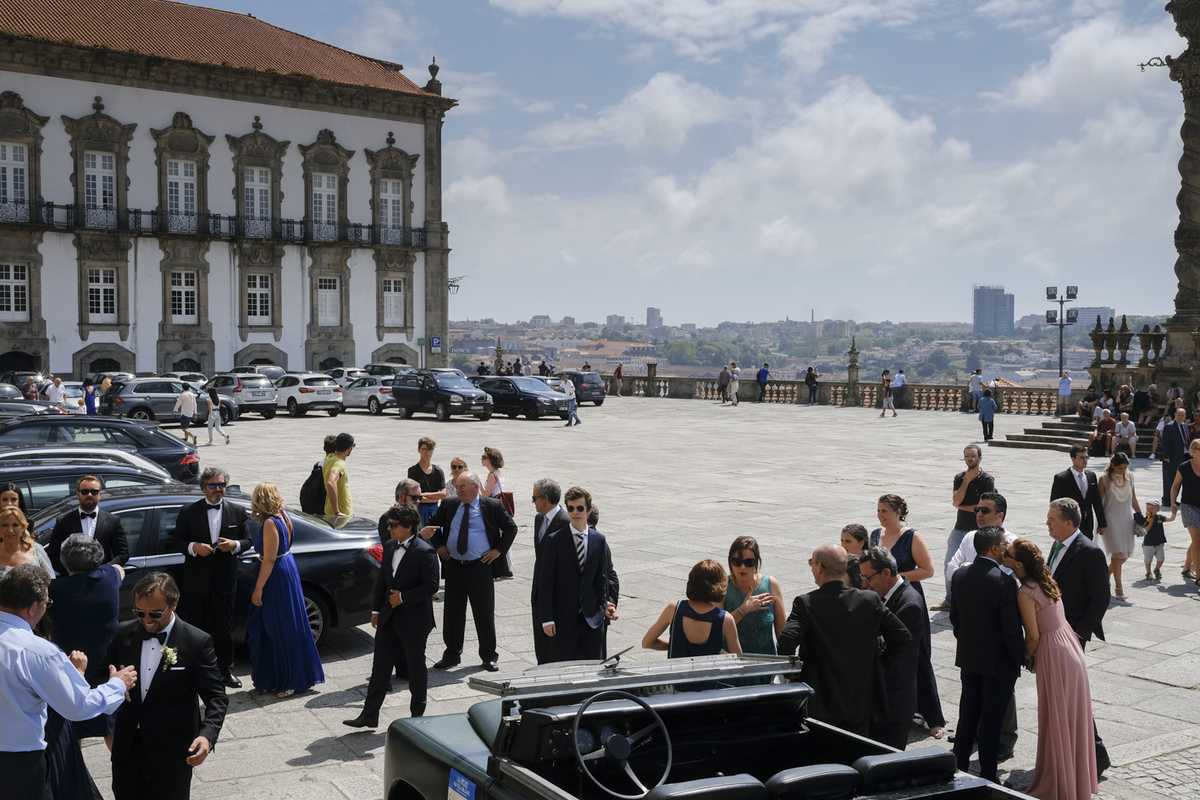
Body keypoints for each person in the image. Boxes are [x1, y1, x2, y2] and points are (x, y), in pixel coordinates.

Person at [0, 563, 135, 800]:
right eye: (47, 603)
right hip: (19, 763)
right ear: (34, 607)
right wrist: (118, 685)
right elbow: (78, 706)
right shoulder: (37, 651)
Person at [106, 572, 228, 800]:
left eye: (155, 613)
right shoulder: (124, 634)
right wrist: (113, 684)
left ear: (174, 604)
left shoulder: (196, 642)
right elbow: (100, 676)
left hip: (172, 754)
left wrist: (207, 735)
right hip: (127, 750)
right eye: (139, 612)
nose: (146, 619)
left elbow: (216, 698)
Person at [778, 544, 912, 735]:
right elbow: (902, 637)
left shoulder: (806, 603)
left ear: (819, 568)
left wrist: (794, 677)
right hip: (861, 701)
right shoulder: (870, 601)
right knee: (857, 756)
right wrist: (881, 666)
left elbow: (786, 642)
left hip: (821, 702)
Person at [1003, 538, 1099, 800]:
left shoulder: (1025, 593)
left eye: (1008, 554)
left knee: (1056, 717)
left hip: (1054, 654)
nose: (1004, 554)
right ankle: (1075, 780)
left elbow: (1032, 636)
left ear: (1019, 564)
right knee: (1072, 719)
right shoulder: (1046, 581)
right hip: (1070, 647)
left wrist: (1025, 656)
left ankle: (1060, 783)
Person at [345, 505, 439, 728]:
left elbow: (432, 586)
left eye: (393, 525)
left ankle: (416, 717)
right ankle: (369, 715)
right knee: (380, 667)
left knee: (416, 670)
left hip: (415, 620)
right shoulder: (389, 546)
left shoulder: (425, 551)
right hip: (389, 618)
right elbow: (383, 582)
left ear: (408, 527)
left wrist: (404, 597)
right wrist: (376, 610)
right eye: (388, 524)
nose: (388, 529)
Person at [948, 526, 1024, 784]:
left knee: (968, 714)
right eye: (1004, 544)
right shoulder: (1004, 581)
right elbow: (1011, 629)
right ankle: (989, 775)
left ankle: (957, 768)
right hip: (997, 664)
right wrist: (1019, 658)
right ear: (994, 548)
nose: (1007, 548)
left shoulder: (960, 576)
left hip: (969, 657)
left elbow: (955, 619)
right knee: (992, 722)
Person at [423, 470, 518, 672]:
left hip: (479, 566)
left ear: (475, 487)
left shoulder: (491, 505)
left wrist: (498, 551)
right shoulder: (449, 504)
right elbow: (433, 525)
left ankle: (489, 655)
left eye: (462, 487)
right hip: (455, 566)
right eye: (457, 487)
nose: (458, 491)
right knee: (453, 612)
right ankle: (452, 654)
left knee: (484, 613)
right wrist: (438, 545)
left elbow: (511, 528)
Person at [1045, 497, 1111, 776]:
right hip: (1055, 631)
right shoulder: (1057, 544)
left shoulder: (1089, 551)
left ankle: (1095, 753)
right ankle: (1078, 751)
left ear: (1069, 524)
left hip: (1071, 634)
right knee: (1063, 695)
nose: (1046, 524)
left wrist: (1077, 633)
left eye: (1051, 520)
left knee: (1072, 694)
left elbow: (1100, 599)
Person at [171, 466, 252, 689]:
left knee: (224, 628)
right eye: (214, 485)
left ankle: (227, 671)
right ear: (204, 488)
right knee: (195, 627)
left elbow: (247, 540)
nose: (218, 489)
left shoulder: (236, 510)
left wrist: (234, 545)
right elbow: (177, 541)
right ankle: (194, 671)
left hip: (225, 580)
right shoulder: (189, 511)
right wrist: (194, 546)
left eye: (222, 485)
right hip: (197, 580)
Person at [871, 494, 944, 739]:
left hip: (907, 596)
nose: (880, 515)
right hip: (881, 597)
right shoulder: (874, 535)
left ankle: (933, 716)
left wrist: (895, 577)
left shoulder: (911, 537)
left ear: (899, 512)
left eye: (885, 511)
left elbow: (928, 570)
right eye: (878, 510)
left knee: (918, 653)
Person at [245, 483, 324, 698]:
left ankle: (290, 680)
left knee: (279, 627)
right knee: (290, 625)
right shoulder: (284, 516)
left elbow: (269, 559)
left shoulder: (271, 522)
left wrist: (258, 588)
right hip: (287, 568)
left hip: (276, 575)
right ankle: (284, 677)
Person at [47, 534, 124, 742]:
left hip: (70, 663)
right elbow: (120, 569)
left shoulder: (53, 589)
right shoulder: (110, 577)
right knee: (111, 723)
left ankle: (76, 772)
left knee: (72, 722)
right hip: (105, 662)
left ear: (64, 560)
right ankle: (123, 770)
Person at [539, 487, 616, 662]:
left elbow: (601, 580)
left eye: (580, 508)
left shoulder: (599, 540)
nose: (575, 513)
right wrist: (547, 619)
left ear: (588, 510)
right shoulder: (555, 540)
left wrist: (602, 609)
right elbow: (545, 583)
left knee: (593, 670)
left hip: (592, 620)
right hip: (562, 620)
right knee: (560, 670)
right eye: (571, 508)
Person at [860, 547, 924, 750]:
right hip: (876, 699)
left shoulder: (910, 604)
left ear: (886, 573)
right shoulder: (880, 594)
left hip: (893, 703)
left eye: (868, 577)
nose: (864, 584)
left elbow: (885, 645)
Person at [642, 559, 742, 658]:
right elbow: (739, 660)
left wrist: (676, 644)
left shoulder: (673, 609)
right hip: (708, 673)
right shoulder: (725, 619)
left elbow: (646, 643)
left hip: (676, 673)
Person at [938, 446, 996, 612]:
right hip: (960, 528)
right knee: (950, 563)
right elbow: (956, 501)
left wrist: (963, 506)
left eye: (973, 455)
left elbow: (984, 507)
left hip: (979, 531)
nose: (969, 458)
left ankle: (974, 600)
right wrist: (966, 481)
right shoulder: (959, 477)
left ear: (980, 458)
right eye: (966, 456)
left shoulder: (987, 479)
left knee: (977, 566)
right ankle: (949, 600)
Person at [46, 476, 129, 575]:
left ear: (100, 494)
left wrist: (105, 571)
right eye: (85, 491)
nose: (89, 495)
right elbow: (53, 554)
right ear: (78, 494)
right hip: (73, 581)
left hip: (101, 581)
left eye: (94, 492)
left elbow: (122, 554)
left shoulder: (113, 521)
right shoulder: (64, 521)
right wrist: (70, 572)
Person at [723, 535, 785, 655]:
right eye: (736, 562)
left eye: (749, 562)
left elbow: (782, 633)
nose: (742, 567)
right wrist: (743, 610)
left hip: (765, 664)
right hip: (732, 665)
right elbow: (715, 629)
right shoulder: (723, 586)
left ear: (757, 561)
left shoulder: (771, 584)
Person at [531, 479, 570, 664]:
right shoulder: (539, 518)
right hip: (540, 592)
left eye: (535, 498)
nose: (533, 502)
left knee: (556, 647)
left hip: (558, 595)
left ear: (545, 498)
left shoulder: (566, 522)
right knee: (541, 645)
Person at [1098, 452, 1139, 598]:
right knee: (1117, 553)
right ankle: (1118, 587)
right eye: (1120, 468)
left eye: (1126, 467)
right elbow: (1099, 503)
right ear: (1113, 465)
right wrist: (1100, 523)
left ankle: (1105, 575)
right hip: (1111, 520)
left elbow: (1133, 499)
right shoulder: (1103, 479)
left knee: (1126, 553)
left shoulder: (1130, 476)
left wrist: (1141, 515)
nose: (1123, 470)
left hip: (1126, 519)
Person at [1049, 445, 1108, 539]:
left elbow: (1096, 501)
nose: (1085, 460)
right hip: (1068, 524)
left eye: (1086, 457)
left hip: (1087, 523)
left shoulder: (1091, 476)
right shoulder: (1061, 478)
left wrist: (1102, 523)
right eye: (1081, 458)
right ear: (1073, 459)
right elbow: (1055, 503)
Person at [1170, 438, 1200, 587]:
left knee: (1197, 541)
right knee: (1197, 539)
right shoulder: (1184, 467)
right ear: (1194, 451)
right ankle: (1199, 577)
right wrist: (1173, 502)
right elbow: (1175, 486)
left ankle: (1186, 568)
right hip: (1188, 506)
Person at [0, 507, 54, 578]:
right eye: (5, 525)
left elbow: (51, 581)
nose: (10, 530)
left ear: (23, 527)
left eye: (15, 525)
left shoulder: (36, 551)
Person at [408, 438, 446, 528]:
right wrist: (435, 498)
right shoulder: (413, 471)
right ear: (419, 450)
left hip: (434, 509)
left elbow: (443, 493)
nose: (427, 453)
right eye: (424, 449)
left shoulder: (438, 471)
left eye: (430, 450)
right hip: (419, 508)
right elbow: (413, 496)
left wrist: (424, 495)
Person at [379, 478, 423, 545]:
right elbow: (390, 545)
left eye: (420, 498)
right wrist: (421, 536)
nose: (418, 501)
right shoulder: (386, 517)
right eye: (414, 497)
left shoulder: (416, 513)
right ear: (401, 496)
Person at [1162, 406, 1191, 505]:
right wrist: (1166, 455)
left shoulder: (1186, 426)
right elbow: (1165, 442)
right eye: (1178, 415)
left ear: (1185, 416)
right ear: (1175, 415)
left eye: (1182, 415)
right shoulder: (1169, 426)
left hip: (1184, 456)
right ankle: (1167, 500)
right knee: (1169, 479)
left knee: (1179, 479)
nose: (1180, 417)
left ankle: (1173, 500)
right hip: (1172, 457)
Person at [1140, 500, 1174, 581]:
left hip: (1159, 542)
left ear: (1158, 509)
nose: (1149, 510)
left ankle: (1157, 569)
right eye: (1148, 508)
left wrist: (1174, 513)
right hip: (1148, 543)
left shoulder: (1160, 518)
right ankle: (1148, 572)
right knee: (1148, 559)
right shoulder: (1145, 520)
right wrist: (1150, 522)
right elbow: (1146, 530)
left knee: (1161, 558)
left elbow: (1171, 519)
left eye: (1152, 508)